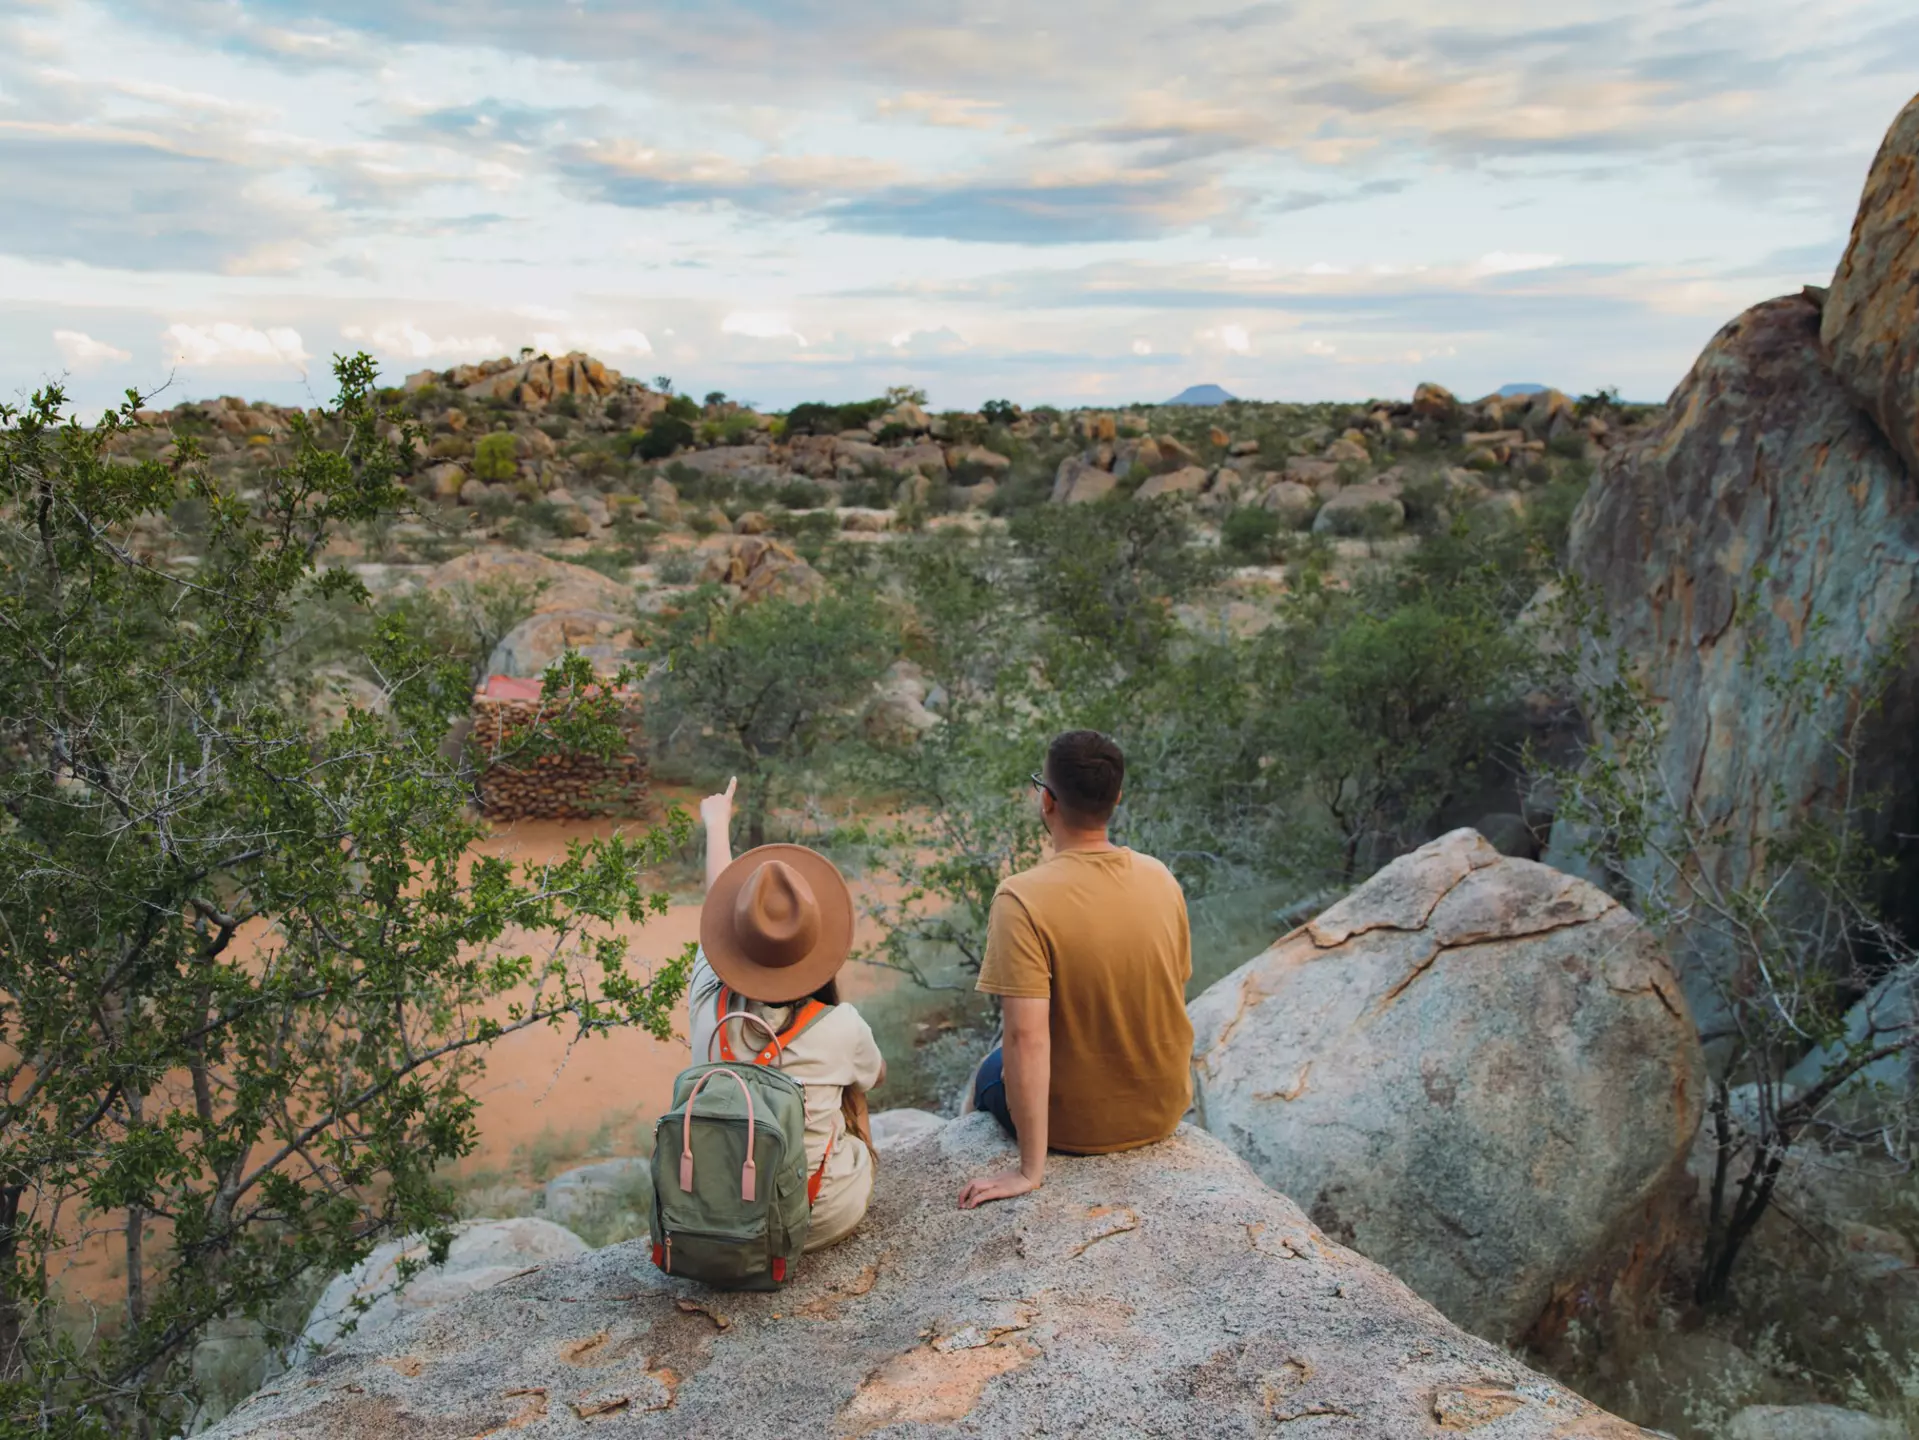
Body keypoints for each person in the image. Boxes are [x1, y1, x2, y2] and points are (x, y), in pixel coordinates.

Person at [958, 730, 1193, 1210]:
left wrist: (1029, 1169)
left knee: (990, 1068)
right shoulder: (1161, 878)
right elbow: (1171, 987)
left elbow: (1026, 1038)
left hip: (1076, 1127)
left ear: (1047, 800)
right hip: (1163, 1111)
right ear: (1117, 798)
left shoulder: (1021, 897)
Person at [690, 777, 886, 1250]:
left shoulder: (706, 1001)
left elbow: (716, 906)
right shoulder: (842, 1026)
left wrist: (717, 827)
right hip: (815, 1219)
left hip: (721, 1223)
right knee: (853, 1091)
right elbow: (877, 1076)